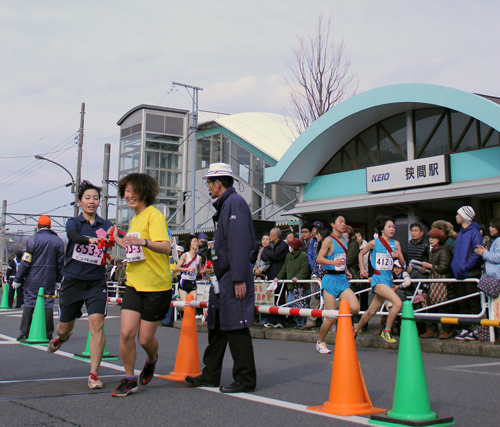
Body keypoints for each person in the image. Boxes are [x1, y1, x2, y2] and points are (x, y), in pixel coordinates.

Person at [185, 162, 257, 393]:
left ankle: (245, 379)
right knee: (217, 325)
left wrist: (238, 278)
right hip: (223, 275)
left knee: (236, 325)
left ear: (218, 183)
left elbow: (239, 243)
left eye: (209, 182)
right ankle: (210, 374)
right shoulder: (228, 204)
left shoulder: (234, 203)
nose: (207, 187)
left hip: (232, 276)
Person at [109, 173, 172, 397]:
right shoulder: (134, 219)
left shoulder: (153, 215)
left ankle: (152, 358)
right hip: (135, 283)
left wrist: (142, 241)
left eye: (134, 191)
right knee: (126, 333)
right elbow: (135, 251)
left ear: (145, 192)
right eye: (127, 191)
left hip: (157, 285)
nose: (130, 195)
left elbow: (166, 247)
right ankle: (128, 378)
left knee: (145, 339)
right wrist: (118, 240)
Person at [47, 181, 113, 390]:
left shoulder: (106, 225)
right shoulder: (73, 223)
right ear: (79, 202)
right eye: (87, 198)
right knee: (64, 327)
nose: (91, 201)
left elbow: (115, 239)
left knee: (97, 323)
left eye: (95, 198)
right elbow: (73, 237)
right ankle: (62, 337)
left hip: (96, 282)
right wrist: (90, 241)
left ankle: (93, 374)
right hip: (72, 280)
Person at [354, 215, 405, 344]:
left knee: (371, 311)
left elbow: (403, 264)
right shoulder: (374, 243)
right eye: (389, 227)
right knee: (398, 304)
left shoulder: (396, 244)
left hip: (388, 279)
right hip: (378, 279)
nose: (392, 229)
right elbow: (360, 254)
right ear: (382, 230)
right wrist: (362, 269)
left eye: (393, 227)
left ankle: (354, 332)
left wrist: (398, 257)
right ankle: (386, 331)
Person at [13, 216, 64, 341]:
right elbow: (60, 262)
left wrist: (18, 279)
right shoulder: (58, 241)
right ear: (50, 226)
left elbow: (25, 262)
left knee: (30, 301)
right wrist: (59, 279)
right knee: (47, 302)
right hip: (49, 277)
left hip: (33, 276)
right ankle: (47, 333)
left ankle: (25, 332)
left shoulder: (32, 240)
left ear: (38, 226)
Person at [315, 213, 360, 353]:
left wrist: (345, 269)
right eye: (340, 221)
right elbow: (319, 259)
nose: (343, 224)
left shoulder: (345, 240)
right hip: (329, 280)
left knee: (355, 308)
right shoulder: (328, 240)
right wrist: (333, 263)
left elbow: (342, 259)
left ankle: (340, 325)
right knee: (330, 317)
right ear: (332, 225)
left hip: (342, 279)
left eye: (344, 221)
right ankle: (320, 342)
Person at [450, 206, 483, 341]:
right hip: (461, 273)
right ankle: (466, 328)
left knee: (473, 303)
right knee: (463, 302)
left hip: (470, 274)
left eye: (458, 214)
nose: (456, 216)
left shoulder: (474, 232)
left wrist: (465, 267)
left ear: (464, 217)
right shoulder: (462, 232)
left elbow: (477, 252)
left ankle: (476, 329)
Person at [419, 228, 455, 339]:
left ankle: (446, 330)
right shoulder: (433, 250)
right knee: (431, 306)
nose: (431, 240)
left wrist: (430, 267)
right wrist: (426, 270)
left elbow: (444, 268)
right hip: (434, 282)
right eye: (430, 238)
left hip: (443, 283)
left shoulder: (444, 250)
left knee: (443, 307)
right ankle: (432, 329)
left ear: (440, 239)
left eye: (434, 238)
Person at [270, 237, 311, 329]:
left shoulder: (303, 256)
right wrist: (278, 277)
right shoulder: (288, 256)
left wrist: (298, 277)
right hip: (291, 286)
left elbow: (305, 270)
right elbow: (284, 269)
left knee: (303, 305)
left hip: (302, 286)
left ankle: (302, 323)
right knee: (291, 304)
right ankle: (298, 322)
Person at [475, 217, 500, 343]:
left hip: (496, 278)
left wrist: (483, 254)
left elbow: (498, 257)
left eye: (492, 226)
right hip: (495, 278)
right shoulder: (495, 240)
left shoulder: (499, 240)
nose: (490, 228)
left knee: (496, 308)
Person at [261, 227, 289, 328]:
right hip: (271, 276)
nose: (269, 237)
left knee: (280, 298)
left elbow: (276, 256)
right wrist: (270, 254)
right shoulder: (272, 246)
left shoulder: (283, 245)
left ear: (275, 235)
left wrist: (270, 254)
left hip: (280, 276)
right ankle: (271, 320)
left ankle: (280, 321)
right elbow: (264, 256)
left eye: (270, 235)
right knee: (271, 298)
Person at [302, 227, 329, 331]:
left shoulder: (328, 246)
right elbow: (314, 261)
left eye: (318, 235)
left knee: (327, 301)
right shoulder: (315, 245)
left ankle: (326, 323)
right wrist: (314, 274)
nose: (316, 236)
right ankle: (311, 321)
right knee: (314, 299)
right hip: (316, 276)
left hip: (326, 276)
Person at [176, 235, 205, 305]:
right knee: (185, 306)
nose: (196, 243)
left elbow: (198, 271)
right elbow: (177, 268)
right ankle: (177, 300)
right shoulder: (185, 255)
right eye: (194, 242)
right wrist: (188, 269)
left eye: (197, 242)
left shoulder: (199, 258)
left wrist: (206, 270)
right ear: (190, 244)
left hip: (193, 282)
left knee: (193, 305)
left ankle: (178, 300)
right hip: (184, 282)